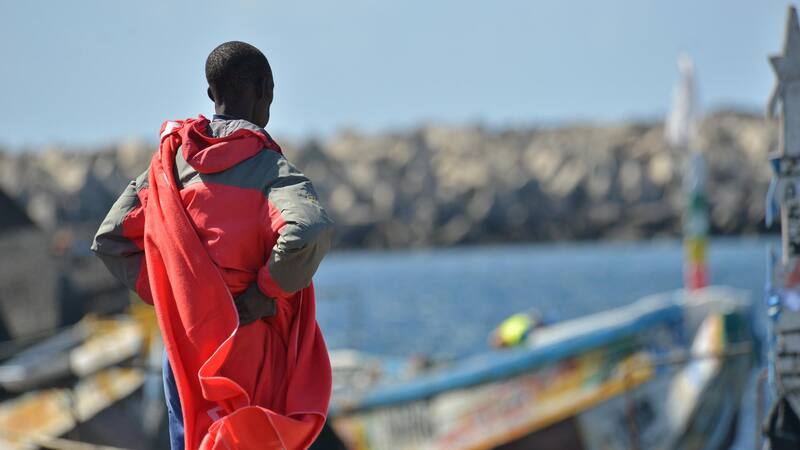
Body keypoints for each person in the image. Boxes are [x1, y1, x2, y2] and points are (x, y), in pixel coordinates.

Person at [92, 41, 334, 449]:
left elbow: (111, 238)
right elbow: (308, 230)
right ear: (265, 90)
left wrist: (179, 298)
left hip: (184, 347)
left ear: (211, 93)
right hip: (245, 342)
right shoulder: (270, 171)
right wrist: (265, 290)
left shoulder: (169, 164)